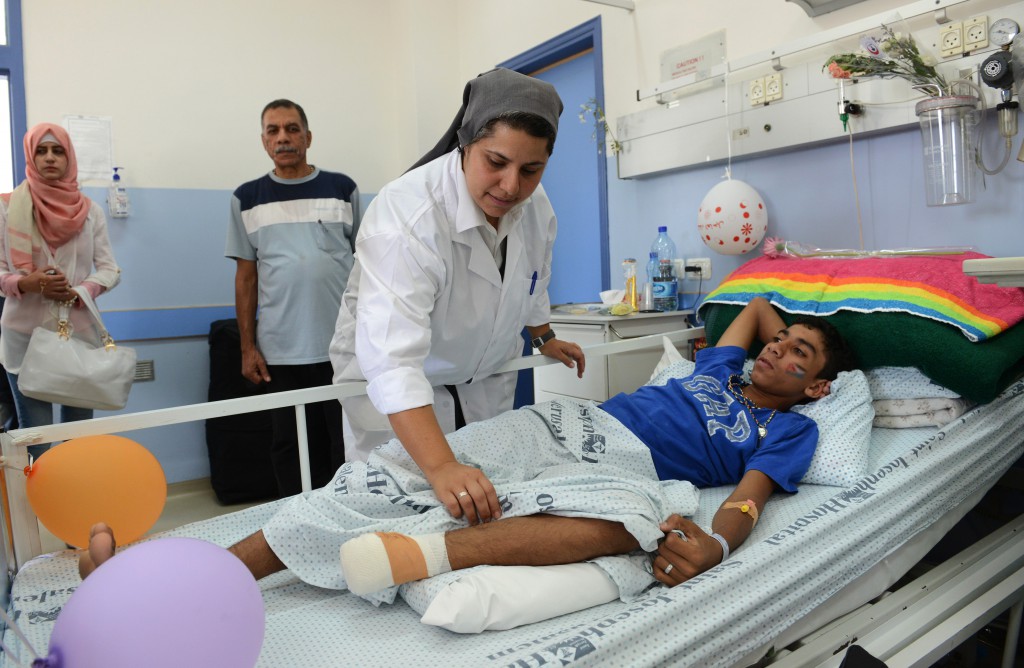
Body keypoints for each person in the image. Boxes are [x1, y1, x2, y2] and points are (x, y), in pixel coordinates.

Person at [82, 297, 857, 597]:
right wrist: (787, 320)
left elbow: (749, 500)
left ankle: (419, 556)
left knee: (631, 532)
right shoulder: (720, 365)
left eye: (801, 357)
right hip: (566, 427)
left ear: (819, 388)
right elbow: (752, 306)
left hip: (635, 469)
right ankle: (160, 579)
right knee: (392, 480)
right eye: (781, 342)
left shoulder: (791, 427)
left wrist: (717, 550)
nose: (778, 351)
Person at [331, 68, 586, 524]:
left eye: (531, 169)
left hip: (481, 378)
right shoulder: (408, 215)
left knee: (487, 505)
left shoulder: (535, 206)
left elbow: (531, 279)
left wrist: (544, 335)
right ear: (465, 143)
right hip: (405, 392)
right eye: (495, 162)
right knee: (401, 513)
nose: (511, 186)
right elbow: (392, 361)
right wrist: (441, 465)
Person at [225, 99, 361, 497]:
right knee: (289, 443)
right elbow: (246, 278)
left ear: (308, 136)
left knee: (344, 440)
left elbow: (367, 268)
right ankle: (296, 519)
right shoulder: (246, 198)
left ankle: (347, 513)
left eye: (291, 128)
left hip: (340, 345)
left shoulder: (342, 189)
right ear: (264, 141)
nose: (283, 137)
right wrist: (247, 347)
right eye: (273, 130)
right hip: (280, 350)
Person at [0, 123, 121, 460]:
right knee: (38, 440)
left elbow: (110, 269)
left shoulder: (90, 212)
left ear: (69, 157)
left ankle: (74, 513)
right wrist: (26, 283)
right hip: (23, 338)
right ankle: (36, 513)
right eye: (42, 150)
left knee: (78, 440)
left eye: (58, 150)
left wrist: (80, 291)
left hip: (77, 337)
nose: (50, 157)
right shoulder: (7, 208)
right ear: (30, 155)